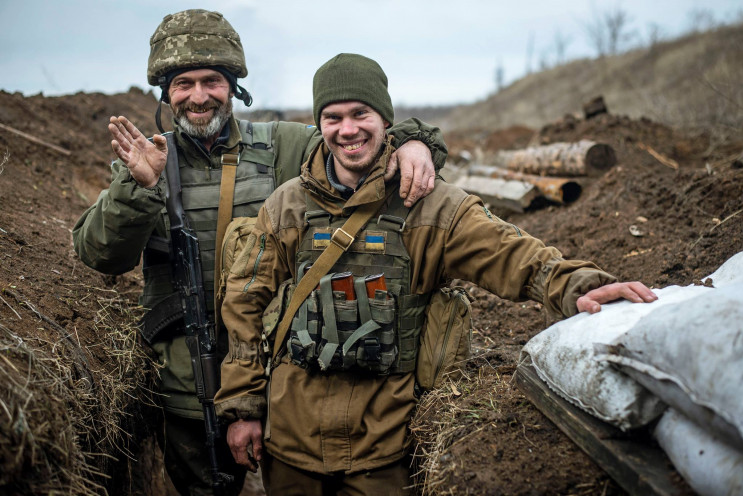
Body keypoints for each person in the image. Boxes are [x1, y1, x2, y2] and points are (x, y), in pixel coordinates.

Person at [215, 53, 658, 495]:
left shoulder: (432, 205)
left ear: (385, 119)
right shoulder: (288, 204)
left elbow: (512, 254)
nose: (347, 129)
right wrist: (242, 407)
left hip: (385, 448)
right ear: (320, 124)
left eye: (360, 114)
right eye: (332, 117)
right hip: (291, 442)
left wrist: (579, 285)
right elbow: (244, 302)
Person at [71, 9, 448, 495]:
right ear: (166, 93)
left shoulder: (284, 146)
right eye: (183, 83)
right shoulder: (146, 160)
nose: (199, 96)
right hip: (188, 392)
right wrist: (138, 187)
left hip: (286, 383)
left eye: (212, 80)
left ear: (233, 85)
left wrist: (415, 143)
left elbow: (356, 139)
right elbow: (100, 255)